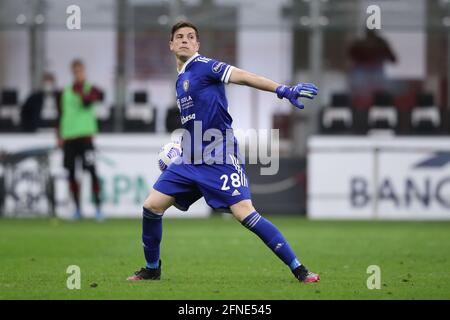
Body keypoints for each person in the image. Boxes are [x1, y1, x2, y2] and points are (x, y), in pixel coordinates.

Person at [127, 22, 319, 283]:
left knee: (245, 213)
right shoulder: (181, 78)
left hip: (218, 154)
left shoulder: (204, 66)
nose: (185, 40)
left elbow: (243, 76)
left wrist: (282, 90)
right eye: (179, 37)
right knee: (152, 206)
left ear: (197, 45)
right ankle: (152, 269)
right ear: (171, 45)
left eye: (191, 37)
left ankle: (300, 269)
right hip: (189, 157)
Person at [57, 59, 104, 221]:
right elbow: (61, 114)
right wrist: (59, 135)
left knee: (92, 172)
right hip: (69, 137)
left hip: (85, 138)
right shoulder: (66, 91)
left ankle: (98, 208)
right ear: (72, 72)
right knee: (71, 173)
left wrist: (81, 91)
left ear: (84, 72)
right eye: (75, 71)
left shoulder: (90, 88)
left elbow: (89, 101)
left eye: (81, 71)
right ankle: (77, 209)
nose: (78, 74)